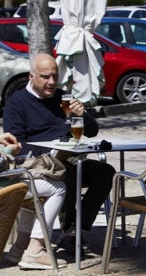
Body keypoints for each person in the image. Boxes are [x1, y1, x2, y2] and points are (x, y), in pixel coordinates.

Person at [3, 53, 115, 256]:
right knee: (70, 171)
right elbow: (17, 144)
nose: (52, 82)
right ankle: (67, 232)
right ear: (31, 76)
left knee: (105, 171)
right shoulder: (17, 102)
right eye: (45, 77)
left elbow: (92, 131)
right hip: (38, 165)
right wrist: (48, 149)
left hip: (68, 157)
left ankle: (75, 230)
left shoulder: (63, 97)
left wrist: (82, 114)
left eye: (55, 76)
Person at [2, 132, 67, 270]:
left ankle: (19, 248)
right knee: (58, 188)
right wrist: (8, 150)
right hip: (4, 188)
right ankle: (35, 250)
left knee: (37, 189)